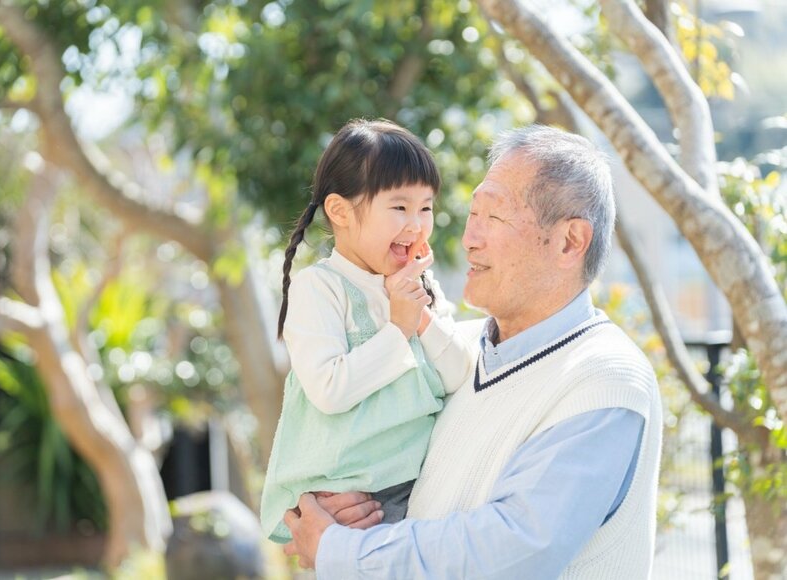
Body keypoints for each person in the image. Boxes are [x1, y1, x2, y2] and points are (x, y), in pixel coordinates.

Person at [283, 125, 663, 579]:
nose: (468, 239)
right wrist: (338, 508)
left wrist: (345, 550)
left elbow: (515, 549)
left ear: (569, 242)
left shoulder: (604, 377)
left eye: (494, 218)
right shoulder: (449, 352)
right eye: (472, 214)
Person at [261, 119, 476, 543]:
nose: (416, 225)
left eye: (426, 208)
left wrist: (421, 316)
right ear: (340, 211)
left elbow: (457, 375)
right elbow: (330, 388)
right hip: (347, 498)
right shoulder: (320, 288)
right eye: (399, 207)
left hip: (418, 486)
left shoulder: (422, 290)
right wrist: (398, 327)